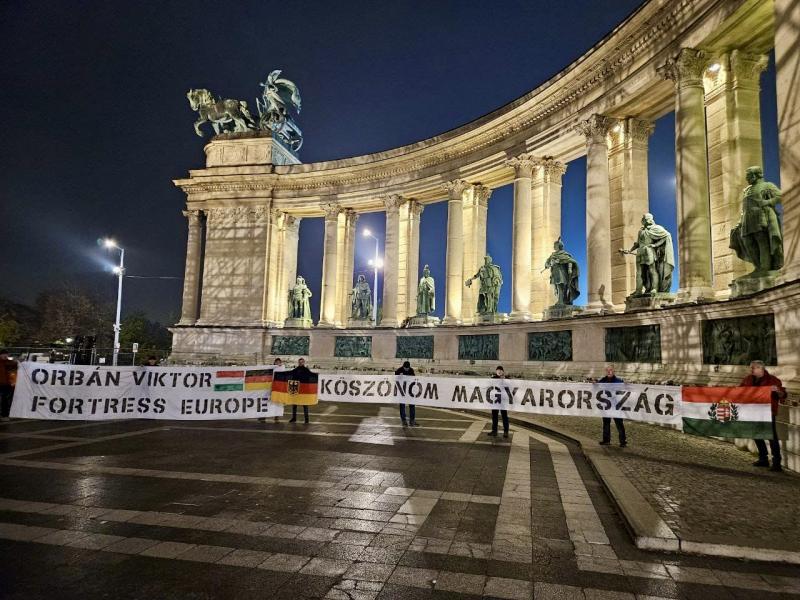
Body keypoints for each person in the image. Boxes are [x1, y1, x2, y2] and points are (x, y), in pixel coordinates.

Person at [741, 360, 787, 472]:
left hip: (767, 412)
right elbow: (739, 390)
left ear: (761, 368)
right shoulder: (748, 379)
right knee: (756, 434)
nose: (751, 370)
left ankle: (777, 463)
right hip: (752, 411)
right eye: (751, 368)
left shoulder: (773, 380)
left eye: (754, 368)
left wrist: (777, 391)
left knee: (771, 436)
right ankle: (763, 459)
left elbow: (783, 394)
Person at [598, 365, 626, 447]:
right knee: (606, 423)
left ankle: (623, 441)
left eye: (610, 370)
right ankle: (606, 440)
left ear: (614, 371)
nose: (609, 372)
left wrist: (627, 385)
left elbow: (624, 391)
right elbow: (597, 387)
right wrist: (594, 384)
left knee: (619, 424)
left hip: (616, 407)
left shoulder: (619, 381)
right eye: (607, 370)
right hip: (607, 406)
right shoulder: (603, 381)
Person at [487, 365, 509, 438]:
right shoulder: (493, 378)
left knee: (504, 416)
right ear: (496, 371)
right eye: (498, 370)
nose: (499, 371)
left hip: (503, 400)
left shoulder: (506, 378)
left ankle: (506, 431)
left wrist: (504, 379)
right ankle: (494, 431)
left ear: (503, 371)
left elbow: (510, 386)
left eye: (500, 370)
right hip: (495, 400)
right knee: (494, 416)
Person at [289, 357, 312, 424]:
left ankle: (306, 419)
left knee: (305, 405)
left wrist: (316, 375)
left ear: (304, 362)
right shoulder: (295, 370)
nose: (301, 363)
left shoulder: (306, 370)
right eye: (300, 362)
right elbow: (291, 377)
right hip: (296, 389)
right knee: (294, 405)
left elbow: (310, 378)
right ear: (298, 363)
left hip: (304, 390)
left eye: (302, 362)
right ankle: (294, 418)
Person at [260, 357, 283, 423]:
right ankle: (263, 416)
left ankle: (276, 417)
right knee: (266, 401)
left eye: (279, 362)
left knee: (277, 402)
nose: (278, 363)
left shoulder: (282, 369)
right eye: (276, 362)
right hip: (270, 388)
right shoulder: (270, 369)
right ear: (274, 362)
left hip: (278, 389)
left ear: (280, 363)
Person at [395, 361, 417, 426]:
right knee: (402, 406)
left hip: (410, 391)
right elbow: (395, 378)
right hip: (402, 392)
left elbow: (414, 379)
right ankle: (403, 420)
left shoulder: (411, 370)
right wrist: (399, 376)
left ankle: (412, 420)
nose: (406, 369)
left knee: (412, 405)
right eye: (405, 368)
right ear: (403, 366)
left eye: (407, 368)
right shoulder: (399, 370)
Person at [0, 350, 18, 421]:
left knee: (5, 400)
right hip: (3, 383)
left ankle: (4, 415)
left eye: (6, 354)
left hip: (7, 384)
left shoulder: (11, 363)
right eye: (3, 354)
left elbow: (17, 365)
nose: (5, 356)